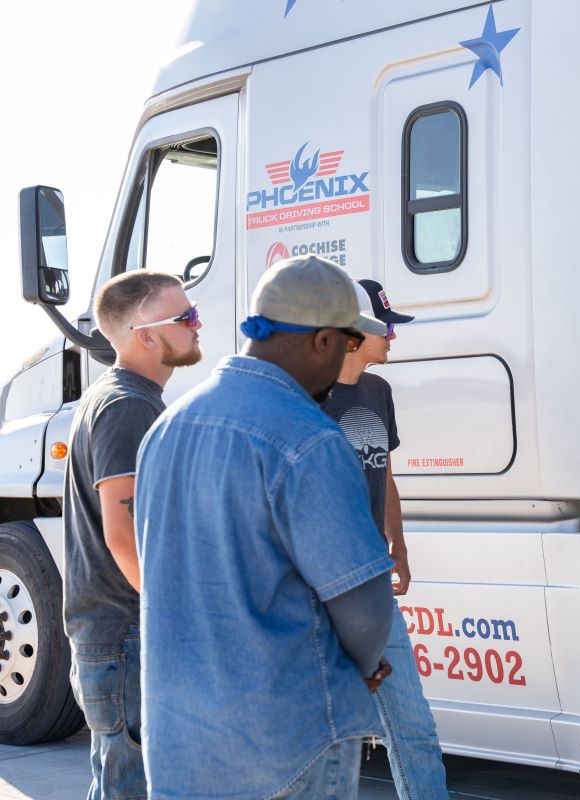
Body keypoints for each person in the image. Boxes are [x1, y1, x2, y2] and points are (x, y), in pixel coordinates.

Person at [134, 256, 396, 798]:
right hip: (288, 743)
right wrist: (363, 666)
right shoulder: (309, 439)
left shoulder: (167, 427)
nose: (347, 359)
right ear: (323, 341)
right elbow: (365, 605)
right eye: (349, 344)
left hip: (181, 747)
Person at [62, 270, 202, 800]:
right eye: (184, 317)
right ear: (146, 333)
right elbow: (124, 535)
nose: (197, 323)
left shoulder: (122, 398)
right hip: (130, 637)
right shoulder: (128, 405)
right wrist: (178, 621)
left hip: (117, 637)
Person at [321, 279, 448, 799]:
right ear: (354, 332)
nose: (394, 337)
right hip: (322, 592)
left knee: (412, 724)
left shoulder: (379, 392)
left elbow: (385, 474)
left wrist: (399, 547)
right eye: (386, 327)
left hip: (374, 582)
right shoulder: (307, 396)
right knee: (325, 737)